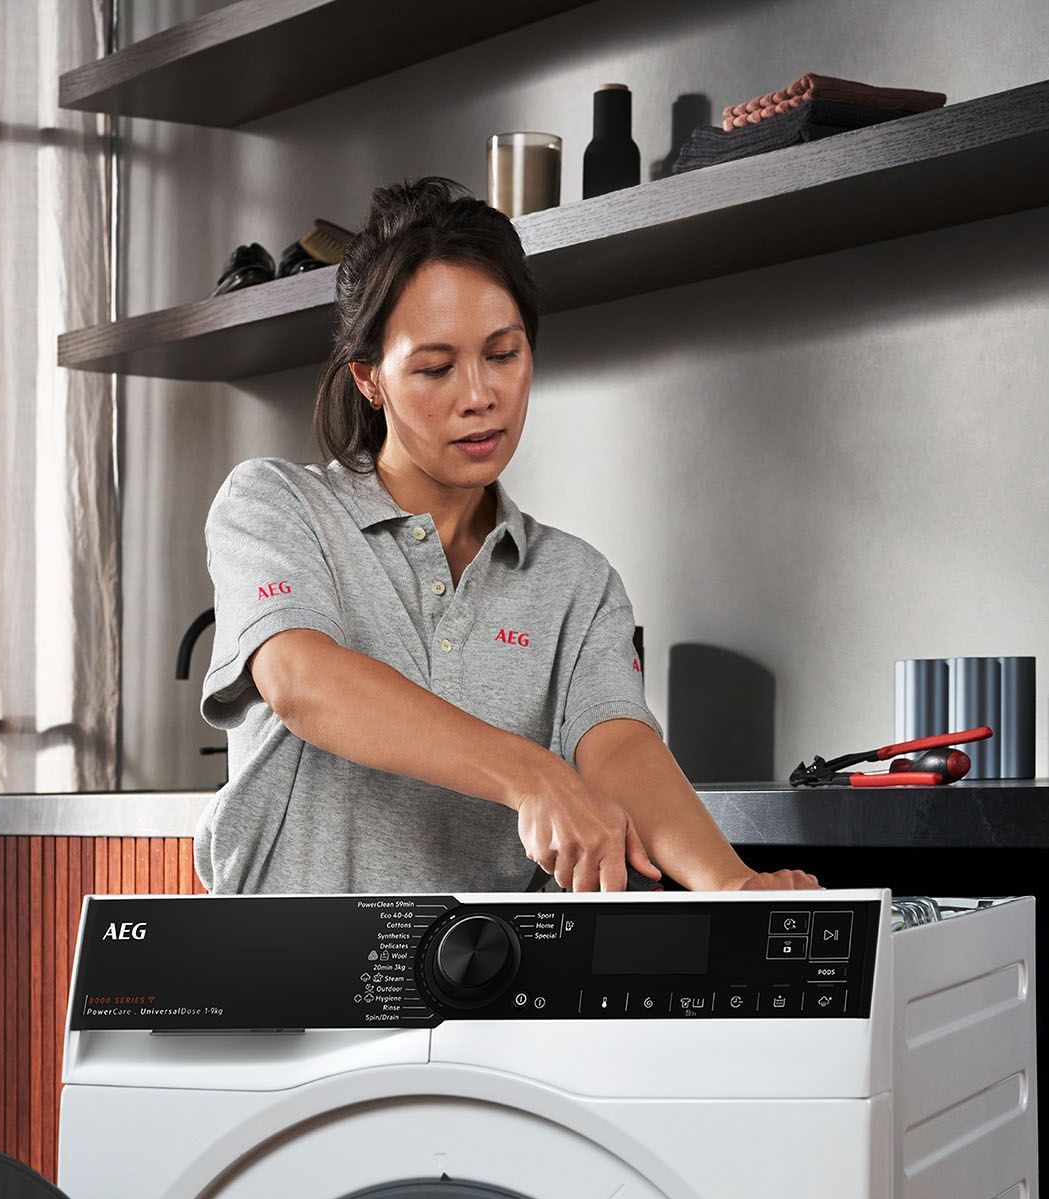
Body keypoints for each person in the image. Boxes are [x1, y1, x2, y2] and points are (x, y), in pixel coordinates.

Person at [192, 176, 818, 896]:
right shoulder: (277, 504)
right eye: (435, 367)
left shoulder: (574, 581)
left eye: (503, 354)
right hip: (287, 982)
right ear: (370, 379)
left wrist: (731, 883)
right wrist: (532, 774)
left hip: (481, 993)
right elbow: (302, 679)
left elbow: (617, 742)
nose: (479, 395)